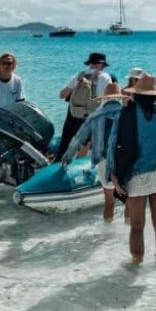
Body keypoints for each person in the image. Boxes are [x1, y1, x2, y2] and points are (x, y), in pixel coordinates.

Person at [106, 73, 156, 264]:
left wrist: (112, 176)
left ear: (136, 94)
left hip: (135, 177)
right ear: (155, 96)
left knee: (137, 226)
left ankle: (136, 264)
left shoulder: (123, 114)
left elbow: (112, 146)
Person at [61, 82, 127, 222]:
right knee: (130, 201)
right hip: (124, 161)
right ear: (119, 97)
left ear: (104, 98)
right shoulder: (128, 115)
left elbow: (79, 138)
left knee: (109, 201)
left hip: (104, 162)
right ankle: (127, 231)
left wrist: (68, 156)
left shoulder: (95, 116)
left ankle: (107, 231)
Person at [55, 52, 113, 161]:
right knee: (85, 145)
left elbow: (62, 95)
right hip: (89, 116)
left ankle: (57, 165)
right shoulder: (105, 77)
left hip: (72, 113)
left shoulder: (80, 75)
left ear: (90, 63)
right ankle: (76, 166)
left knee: (65, 142)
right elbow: (105, 100)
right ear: (101, 64)